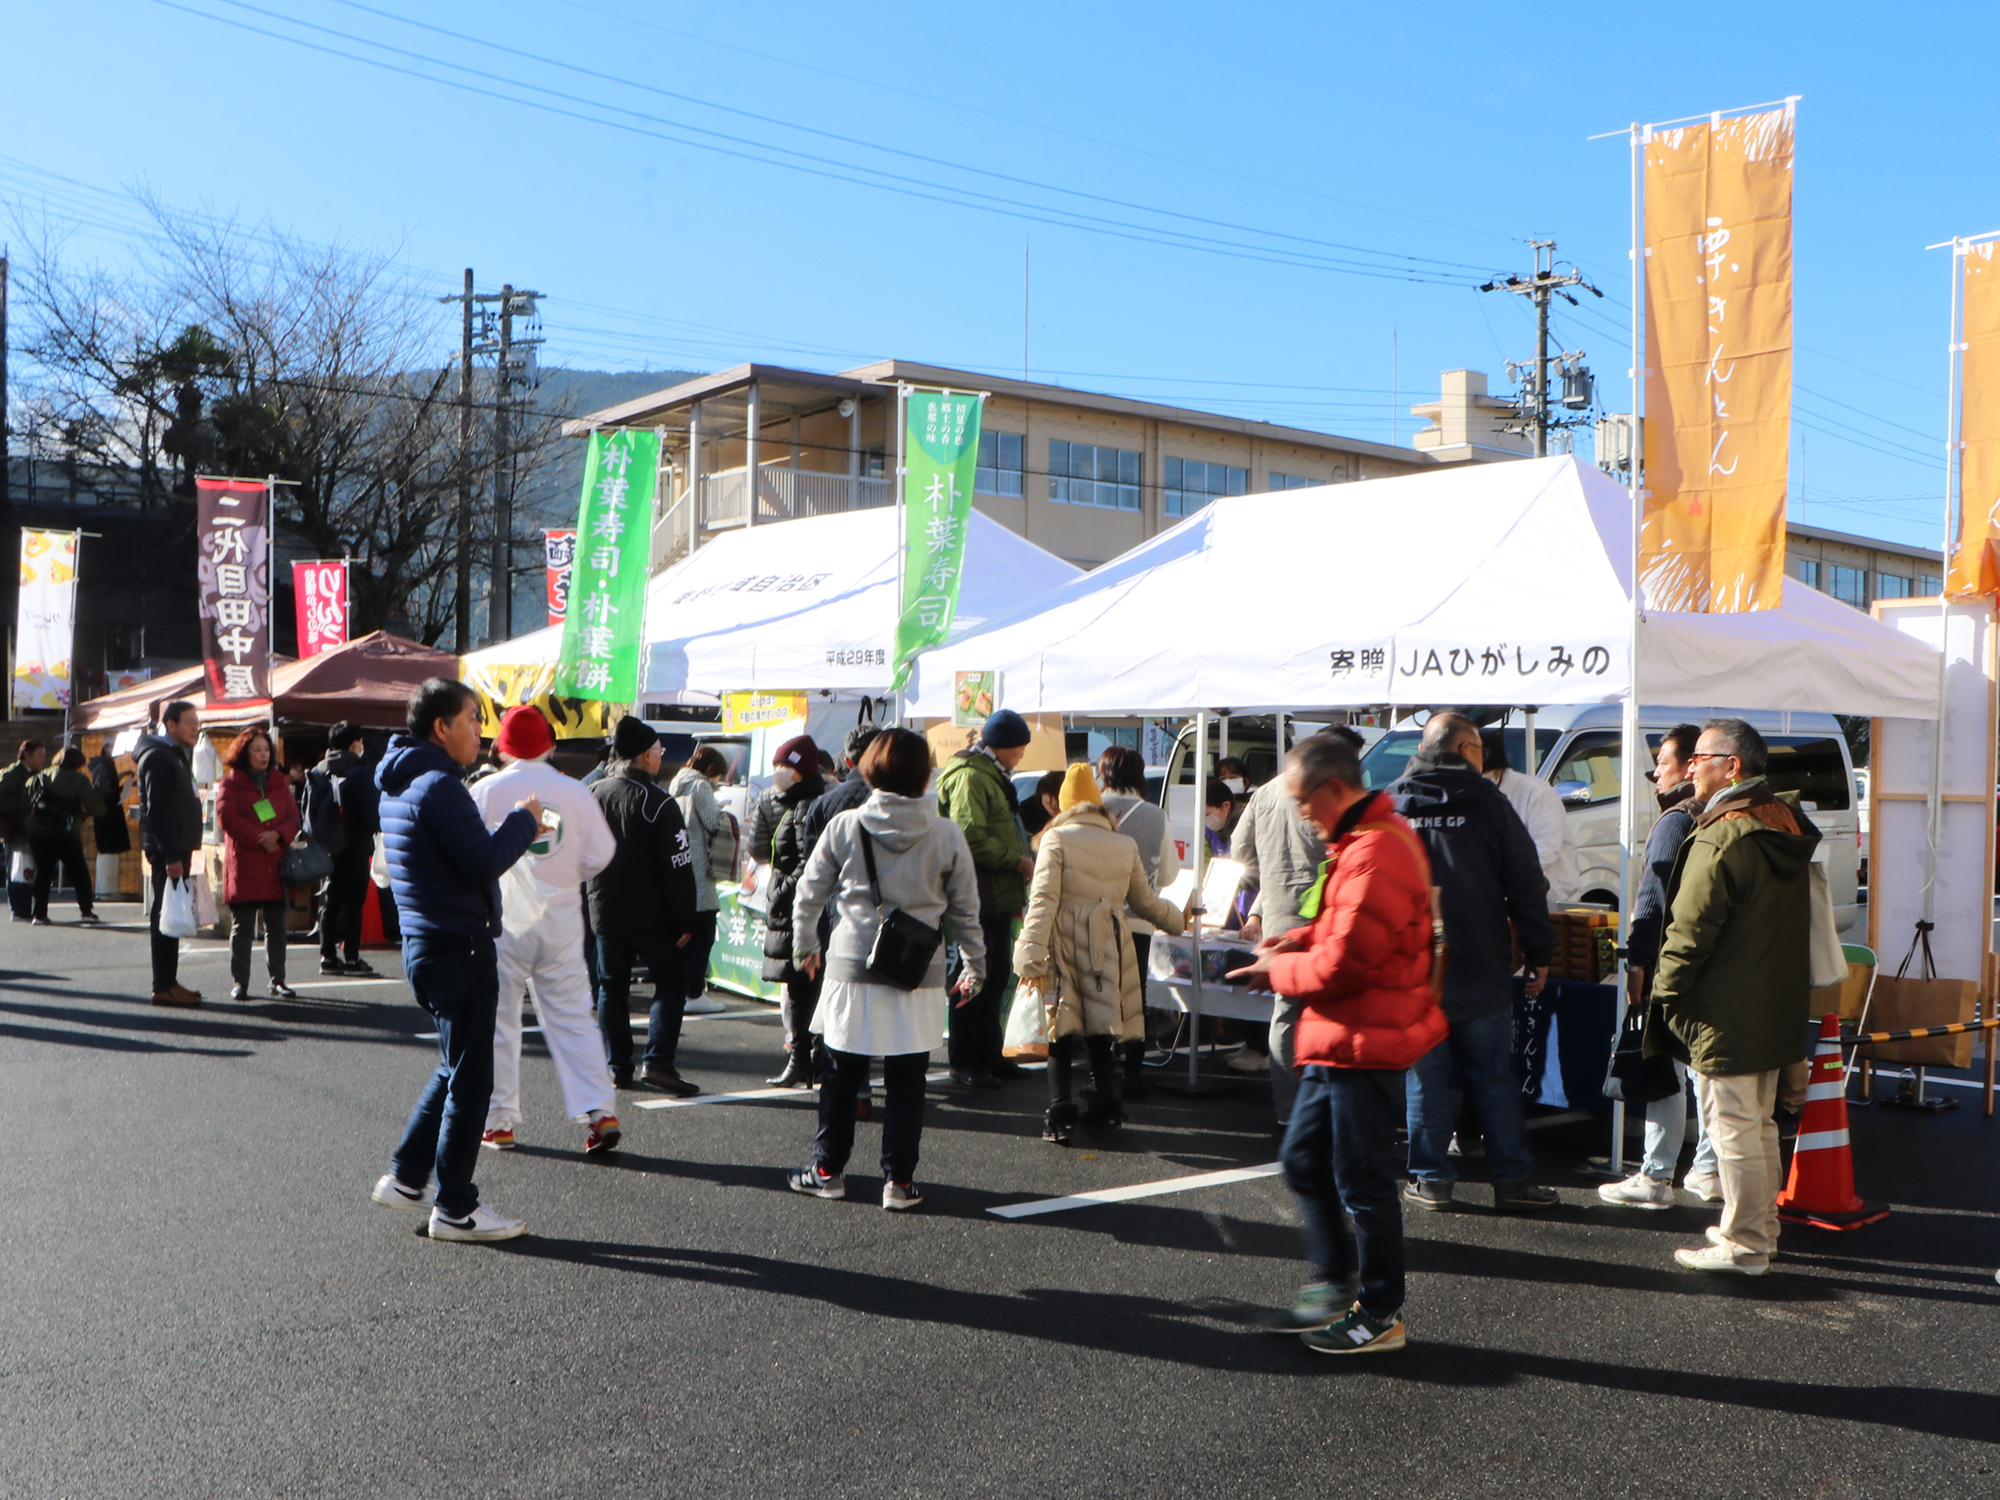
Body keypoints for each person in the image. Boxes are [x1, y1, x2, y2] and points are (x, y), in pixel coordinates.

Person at [1231, 730, 1444, 1355]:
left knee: (1363, 1181)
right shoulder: (1358, 843)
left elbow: (1347, 963)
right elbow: (1334, 930)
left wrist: (1277, 969)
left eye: (1303, 801)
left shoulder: (1378, 849)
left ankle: (1379, 1312)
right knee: (1303, 1159)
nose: (1300, 814)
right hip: (1337, 1037)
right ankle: (1332, 1285)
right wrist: (1291, 943)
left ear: (1334, 788)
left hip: (1363, 1039)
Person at [371, 677, 542, 1243]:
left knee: (454, 1066)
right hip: (458, 947)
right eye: (472, 717)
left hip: (427, 944)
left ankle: (406, 1177)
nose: (479, 728)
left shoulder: (399, 782)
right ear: (441, 727)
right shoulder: (440, 785)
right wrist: (525, 820)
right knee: (472, 1080)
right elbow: (482, 861)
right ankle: (456, 1208)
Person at [786, 728, 985, 1208]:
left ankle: (828, 1169)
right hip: (918, 970)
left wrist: (805, 946)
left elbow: (808, 894)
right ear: (924, 773)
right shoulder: (945, 832)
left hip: (853, 963)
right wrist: (976, 964)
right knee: (908, 1078)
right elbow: (965, 910)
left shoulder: (846, 825)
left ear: (871, 767)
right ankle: (898, 1182)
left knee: (839, 1071)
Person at [1649, 718, 1820, 1276]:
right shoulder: (1782, 820)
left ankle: (1745, 1242)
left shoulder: (1724, 832)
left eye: (1701, 756)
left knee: (1735, 1129)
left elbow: (1688, 930)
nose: (1691, 765)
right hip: (1773, 1002)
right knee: (1759, 1125)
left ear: (1734, 766)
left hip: (1728, 1008)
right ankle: (1758, 1229)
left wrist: (1664, 995)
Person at [1388, 712, 1559, 1212]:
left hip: (1413, 969)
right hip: (1480, 965)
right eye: (1481, 748)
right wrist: (1538, 952)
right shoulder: (1489, 803)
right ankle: (1513, 1180)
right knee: (1493, 1076)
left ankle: (1431, 1180)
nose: (1485, 757)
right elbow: (1527, 882)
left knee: (1425, 1076)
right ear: (1465, 750)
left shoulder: (1392, 803)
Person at [471, 705, 622, 1155]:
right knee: (574, 1017)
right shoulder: (575, 791)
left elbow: (471, 855)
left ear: (502, 748)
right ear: (550, 746)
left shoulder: (484, 790)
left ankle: (499, 1121)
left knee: (499, 1019)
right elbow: (601, 855)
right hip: (560, 919)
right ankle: (599, 1110)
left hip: (502, 919)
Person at [1015, 764, 1188, 1144]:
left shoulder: (1055, 840)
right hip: (1110, 939)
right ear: (1096, 803)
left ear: (1063, 805)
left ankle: (1060, 1116)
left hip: (1064, 939)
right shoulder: (1123, 843)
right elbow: (1144, 902)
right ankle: (1107, 1110)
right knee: (1100, 1026)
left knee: (1060, 1027)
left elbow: (1042, 902)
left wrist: (1027, 952)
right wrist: (1179, 920)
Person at [1599, 723, 1717, 1209]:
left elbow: (1654, 895)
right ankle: (1707, 1170)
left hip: (1672, 962)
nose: (1654, 777)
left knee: (1667, 1069)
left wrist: (1639, 959)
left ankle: (1655, 1175)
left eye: (1660, 765)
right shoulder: (1719, 816)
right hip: (1713, 964)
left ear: (1690, 765)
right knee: (1703, 1074)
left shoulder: (1675, 820)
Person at [1232, 727, 1363, 1114]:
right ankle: (1316, 1106)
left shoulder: (1266, 792)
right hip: (1322, 912)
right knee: (1327, 1009)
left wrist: (1266, 887)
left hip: (1277, 912)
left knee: (1286, 1013)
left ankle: (1288, 1107)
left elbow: (1240, 849)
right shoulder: (1329, 793)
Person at [588, 716, 703, 1093]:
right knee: (672, 980)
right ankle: (658, 1061)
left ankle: (617, 1065)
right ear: (644, 755)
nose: (660, 757)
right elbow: (678, 868)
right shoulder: (657, 802)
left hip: (603, 909)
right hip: (652, 916)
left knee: (611, 987)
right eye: (658, 750)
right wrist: (686, 919)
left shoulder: (593, 793)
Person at [935, 709, 1037, 1090]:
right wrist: (1019, 862)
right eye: (1020, 749)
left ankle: (990, 1055)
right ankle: (964, 1060)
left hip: (996, 894)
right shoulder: (970, 778)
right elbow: (969, 837)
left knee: (994, 978)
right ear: (1004, 746)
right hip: (975, 895)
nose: (1021, 756)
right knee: (972, 979)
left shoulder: (992, 776)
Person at [1097, 744, 1179, 1096]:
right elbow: (1171, 872)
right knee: (1135, 997)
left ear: (1104, 773)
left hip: (1095, 917)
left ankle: (1099, 1076)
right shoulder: (1154, 815)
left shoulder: (1091, 811)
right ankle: (1132, 1075)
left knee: (1097, 994)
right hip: (1140, 919)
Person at [751, 734, 831, 1087]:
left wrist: (781, 890)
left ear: (799, 771)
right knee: (800, 989)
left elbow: (807, 862)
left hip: (799, 911)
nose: (777, 772)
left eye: (783, 766)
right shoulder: (792, 802)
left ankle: (805, 1060)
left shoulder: (806, 806)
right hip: (791, 910)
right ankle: (805, 1060)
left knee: (804, 989)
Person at [215, 727, 302, 1001]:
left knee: (276, 926)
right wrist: (259, 838)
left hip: (276, 862)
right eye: (257, 749)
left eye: (266, 749)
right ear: (244, 753)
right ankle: (240, 981)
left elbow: (293, 816)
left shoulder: (278, 782)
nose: (263, 755)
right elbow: (227, 817)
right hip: (246, 863)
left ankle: (278, 980)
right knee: (242, 927)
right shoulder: (230, 784)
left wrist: (278, 835)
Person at [135, 703, 205, 1007]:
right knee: (166, 915)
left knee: (171, 914)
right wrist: (171, 855)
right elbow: (158, 810)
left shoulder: (172, 755)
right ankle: (163, 984)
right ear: (170, 724)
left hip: (176, 847)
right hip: (169, 850)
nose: (195, 728)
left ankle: (169, 981)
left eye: (197, 722)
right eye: (189, 722)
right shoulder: (159, 757)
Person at [309, 722, 381, 977]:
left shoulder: (317, 771)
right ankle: (351, 958)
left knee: (329, 900)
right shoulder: (359, 773)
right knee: (353, 904)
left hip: (325, 846)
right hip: (355, 845)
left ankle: (327, 956)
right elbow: (372, 816)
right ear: (355, 744)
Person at [1479, 729, 1581, 904]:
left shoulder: (1537, 793)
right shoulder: (1475, 795)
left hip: (1550, 897)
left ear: (1499, 769)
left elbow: (1545, 850)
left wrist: (1497, 880)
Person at [669, 740, 731, 1016]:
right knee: (703, 934)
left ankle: (681, 990)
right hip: (700, 870)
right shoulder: (701, 786)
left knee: (684, 936)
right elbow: (713, 821)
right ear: (710, 769)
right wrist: (724, 811)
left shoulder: (677, 783)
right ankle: (695, 992)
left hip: (680, 867)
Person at [26, 745, 106, 923]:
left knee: (43, 872)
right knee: (79, 872)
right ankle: (86, 911)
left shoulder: (41, 775)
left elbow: (26, 799)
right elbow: (96, 806)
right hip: (66, 832)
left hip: (37, 832)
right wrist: (89, 812)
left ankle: (39, 915)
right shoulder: (80, 779)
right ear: (79, 763)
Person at [2, 738, 50, 922]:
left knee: (29, 870)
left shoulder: (38, 774)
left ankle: (25, 907)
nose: (42, 759)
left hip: (33, 828)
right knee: (17, 871)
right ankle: (19, 909)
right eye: (39, 755)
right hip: (16, 829)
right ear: (26, 755)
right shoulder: (11, 775)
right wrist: (25, 803)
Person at [88, 748, 131, 893]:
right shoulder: (105, 766)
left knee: (106, 852)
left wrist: (120, 780)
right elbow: (106, 790)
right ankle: (108, 890)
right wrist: (122, 786)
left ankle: (104, 889)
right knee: (109, 852)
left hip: (104, 815)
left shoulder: (102, 765)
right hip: (108, 815)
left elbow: (106, 787)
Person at [1021, 769, 1064, 845]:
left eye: (1057, 804)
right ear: (1040, 797)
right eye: (1047, 802)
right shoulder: (1027, 811)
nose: (1052, 808)